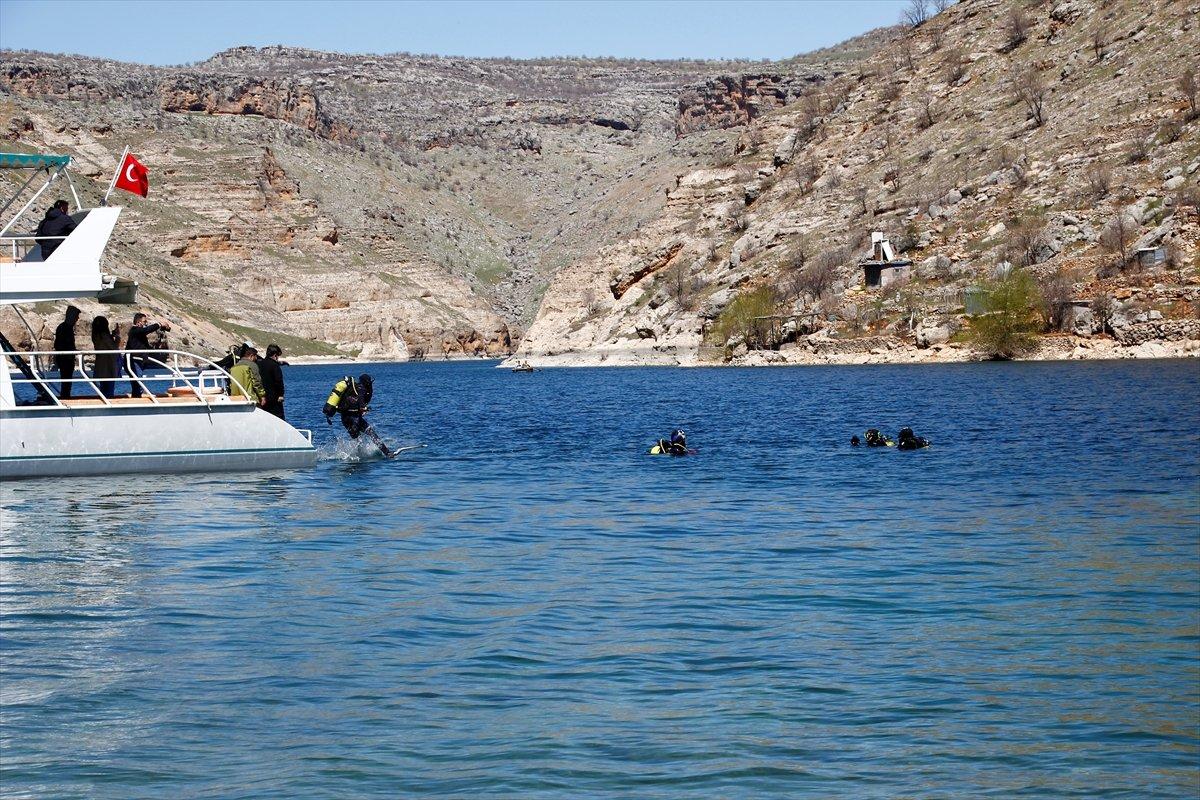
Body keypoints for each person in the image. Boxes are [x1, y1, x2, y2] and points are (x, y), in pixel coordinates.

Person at [323, 373, 393, 456]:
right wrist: (364, 407)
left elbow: (356, 401)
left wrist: (362, 408)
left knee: (357, 438)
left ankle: (353, 455)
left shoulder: (354, 389)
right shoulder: (361, 389)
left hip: (345, 418)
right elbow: (360, 400)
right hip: (354, 418)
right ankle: (387, 452)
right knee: (371, 434)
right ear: (367, 382)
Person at [125, 312, 171, 398]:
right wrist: (159, 324)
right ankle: (137, 399)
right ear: (138, 322)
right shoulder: (135, 330)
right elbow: (146, 330)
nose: (146, 323)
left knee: (137, 382)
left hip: (138, 360)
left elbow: (146, 345)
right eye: (144, 321)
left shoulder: (138, 333)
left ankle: (136, 398)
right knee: (138, 382)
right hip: (134, 360)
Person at [53, 305, 81, 398]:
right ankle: (65, 396)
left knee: (67, 381)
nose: (77, 319)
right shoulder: (63, 328)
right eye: (76, 316)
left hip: (67, 358)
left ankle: (66, 395)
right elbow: (59, 344)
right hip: (65, 359)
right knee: (66, 380)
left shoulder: (66, 328)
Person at [90, 315, 121, 399]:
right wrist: (117, 337)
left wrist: (112, 335)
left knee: (104, 385)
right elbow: (113, 347)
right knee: (109, 386)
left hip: (101, 362)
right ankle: (108, 400)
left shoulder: (95, 335)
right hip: (108, 363)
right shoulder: (104, 335)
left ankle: (105, 399)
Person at [258, 343, 286, 419]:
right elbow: (278, 381)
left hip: (262, 396)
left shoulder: (260, 363)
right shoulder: (274, 366)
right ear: (275, 355)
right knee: (278, 418)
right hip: (274, 398)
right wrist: (281, 394)